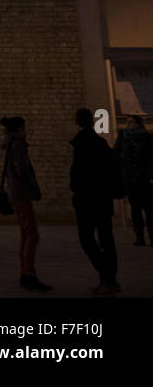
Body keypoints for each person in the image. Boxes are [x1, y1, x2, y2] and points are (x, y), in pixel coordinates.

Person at [70, 107, 120, 296]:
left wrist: (76, 189)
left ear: (78, 122)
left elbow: (78, 176)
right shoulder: (101, 143)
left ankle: (107, 277)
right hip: (103, 200)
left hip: (87, 200)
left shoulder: (82, 144)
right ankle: (110, 280)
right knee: (107, 240)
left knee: (87, 240)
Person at [0, 116, 50, 291]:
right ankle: (29, 274)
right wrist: (32, 188)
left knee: (25, 235)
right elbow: (21, 169)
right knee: (33, 236)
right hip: (22, 193)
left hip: (14, 192)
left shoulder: (7, 144)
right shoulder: (18, 144)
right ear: (20, 129)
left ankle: (25, 273)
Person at [116, 115, 151, 245]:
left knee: (149, 209)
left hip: (145, 179)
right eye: (128, 122)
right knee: (135, 210)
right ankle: (140, 238)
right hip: (131, 180)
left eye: (131, 122)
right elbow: (116, 153)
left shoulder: (147, 137)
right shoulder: (123, 137)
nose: (128, 124)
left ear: (138, 124)